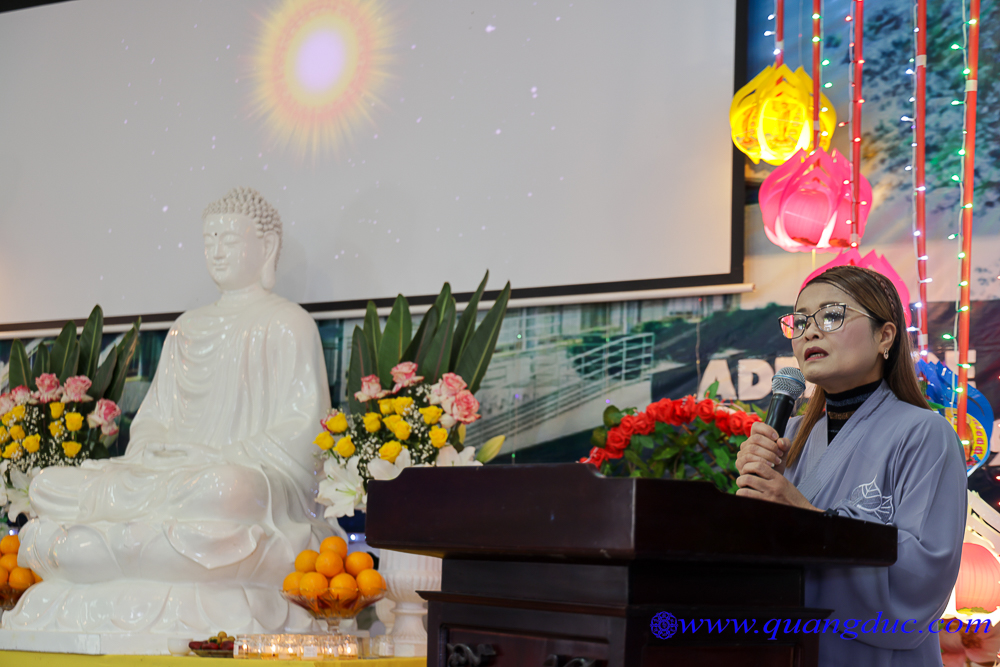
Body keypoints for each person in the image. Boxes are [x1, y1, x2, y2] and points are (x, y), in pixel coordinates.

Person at [6, 187, 336, 641]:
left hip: (231, 480)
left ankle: (116, 553)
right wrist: (155, 449)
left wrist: (214, 455)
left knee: (225, 489)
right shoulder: (187, 328)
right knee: (48, 486)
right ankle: (141, 547)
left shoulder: (288, 323)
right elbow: (152, 421)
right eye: (209, 240)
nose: (216, 252)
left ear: (267, 247)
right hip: (168, 476)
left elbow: (305, 430)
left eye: (229, 240)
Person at [735, 265, 967, 667]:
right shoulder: (787, 438)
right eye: (800, 321)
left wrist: (803, 516)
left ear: (885, 336)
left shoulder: (925, 433)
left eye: (831, 315)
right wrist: (749, 501)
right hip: (789, 651)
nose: (810, 332)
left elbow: (922, 577)